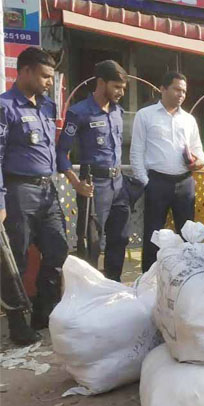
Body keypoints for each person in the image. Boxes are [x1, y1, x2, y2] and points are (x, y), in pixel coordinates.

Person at [0, 47, 67, 345]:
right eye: (44, 76)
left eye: (51, 77)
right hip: (18, 191)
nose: (49, 82)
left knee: (57, 250)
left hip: (47, 191)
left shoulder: (47, 106)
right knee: (16, 259)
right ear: (24, 71)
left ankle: (44, 311)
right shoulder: (5, 107)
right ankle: (17, 323)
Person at [57, 60, 132, 281]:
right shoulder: (79, 112)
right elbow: (62, 153)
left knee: (120, 238)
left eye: (123, 89)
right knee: (91, 243)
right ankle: (88, 291)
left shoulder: (118, 111)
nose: (120, 92)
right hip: (93, 186)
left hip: (118, 185)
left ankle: (113, 285)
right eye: (116, 87)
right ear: (101, 82)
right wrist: (76, 184)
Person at [130, 71, 204, 272]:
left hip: (185, 183)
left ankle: (186, 276)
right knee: (153, 235)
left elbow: (200, 154)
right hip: (157, 182)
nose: (181, 94)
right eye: (177, 89)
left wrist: (198, 164)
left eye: (184, 91)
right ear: (162, 89)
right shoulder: (145, 115)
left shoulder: (189, 120)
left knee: (188, 235)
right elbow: (136, 152)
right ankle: (148, 278)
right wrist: (146, 182)